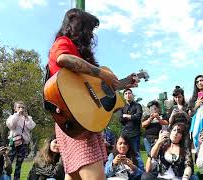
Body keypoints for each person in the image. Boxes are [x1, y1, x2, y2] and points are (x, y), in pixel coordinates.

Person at [47, 8, 138, 180]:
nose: (91, 35)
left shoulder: (80, 54)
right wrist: (103, 74)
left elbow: (95, 92)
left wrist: (124, 83)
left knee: (74, 175)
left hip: (80, 122)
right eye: (88, 29)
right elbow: (63, 59)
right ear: (78, 27)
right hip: (75, 120)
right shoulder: (63, 42)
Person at [6, 101, 36, 180]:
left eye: (22, 107)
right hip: (14, 142)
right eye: (19, 107)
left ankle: (16, 178)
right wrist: (17, 115)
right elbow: (11, 126)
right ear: (15, 109)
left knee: (19, 163)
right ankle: (6, 176)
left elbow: (31, 127)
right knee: (9, 161)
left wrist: (26, 118)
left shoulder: (28, 118)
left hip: (23, 143)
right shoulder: (12, 117)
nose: (21, 109)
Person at [120, 88, 143, 156]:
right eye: (126, 94)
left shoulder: (137, 105)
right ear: (124, 96)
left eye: (129, 93)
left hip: (135, 134)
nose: (128, 95)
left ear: (132, 95)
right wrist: (132, 116)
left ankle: (138, 167)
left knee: (136, 154)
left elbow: (138, 117)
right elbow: (121, 120)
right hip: (125, 134)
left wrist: (126, 116)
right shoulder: (122, 107)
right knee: (124, 154)